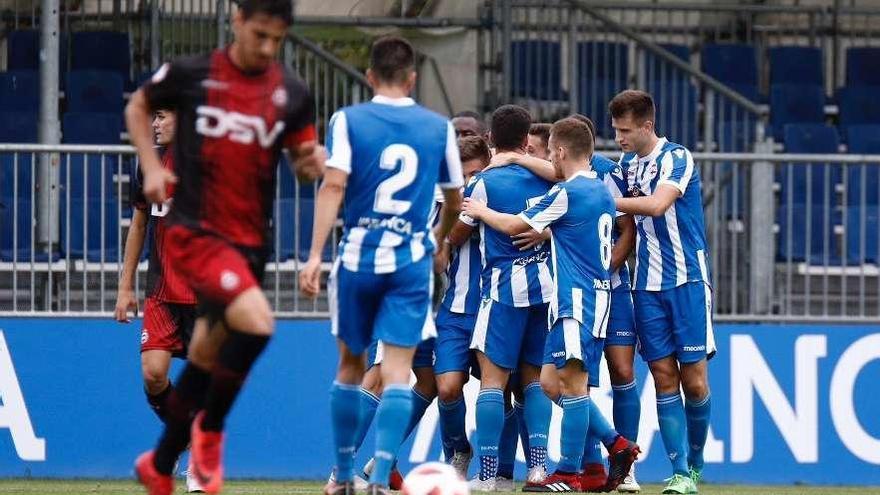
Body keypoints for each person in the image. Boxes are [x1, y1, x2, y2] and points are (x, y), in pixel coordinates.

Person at [126, 1, 325, 493]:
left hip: (251, 243)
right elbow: (137, 106)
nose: (266, 48)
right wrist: (151, 167)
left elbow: (302, 163)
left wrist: (310, 164)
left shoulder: (291, 93)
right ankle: (209, 433)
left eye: (277, 40)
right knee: (258, 324)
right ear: (237, 21)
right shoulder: (193, 75)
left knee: (206, 355)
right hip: (196, 232)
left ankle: (161, 461)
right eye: (259, 35)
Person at [299, 35, 463, 495]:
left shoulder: (347, 120)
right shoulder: (438, 127)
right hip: (411, 261)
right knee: (397, 371)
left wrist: (314, 255)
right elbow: (454, 198)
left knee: (350, 368)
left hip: (358, 257)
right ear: (412, 78)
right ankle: (382, 473)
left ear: (370, 76)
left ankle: (341, 475)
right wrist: (435, 238)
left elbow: (332, 187)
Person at [465, 117, 641, 492]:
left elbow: (514, 226)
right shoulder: (599, 191)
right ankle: (617, 443)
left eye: (549, 153)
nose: (548, 161)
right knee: (548, 383)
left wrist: (479, 212)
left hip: (577, 301)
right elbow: (570, 227)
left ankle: (569, 473)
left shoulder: (567, 193)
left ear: (559, 151)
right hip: (591, 297)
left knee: (574, 388)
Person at [609, 89, 714, 495]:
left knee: (696, 381)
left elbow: (655, 206)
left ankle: (697, 460)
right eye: (616, 130)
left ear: (647, 125)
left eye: (625, 130)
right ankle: (680, 472)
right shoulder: (626, 166)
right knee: (662, 375)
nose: (619, 138)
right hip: (646, 285)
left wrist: (605, 198)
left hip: (687, 280)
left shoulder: (677, 157)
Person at [447, 104, 554, 492]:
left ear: (491, 139)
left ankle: (489, 475)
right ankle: (539, 469)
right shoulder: (549, 180)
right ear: (528, 141)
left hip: (502, 292)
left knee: (492, 384)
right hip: (545, 291)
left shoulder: (481, 185)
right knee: (535, 383)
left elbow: (456, 236)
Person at [114, 108, 204, 493]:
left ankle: (199, 459)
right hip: (162, 291)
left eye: (163, 116)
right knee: (153, 375)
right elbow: (139, 226)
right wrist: (125, 286)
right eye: (153, 117)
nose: (154, 124)